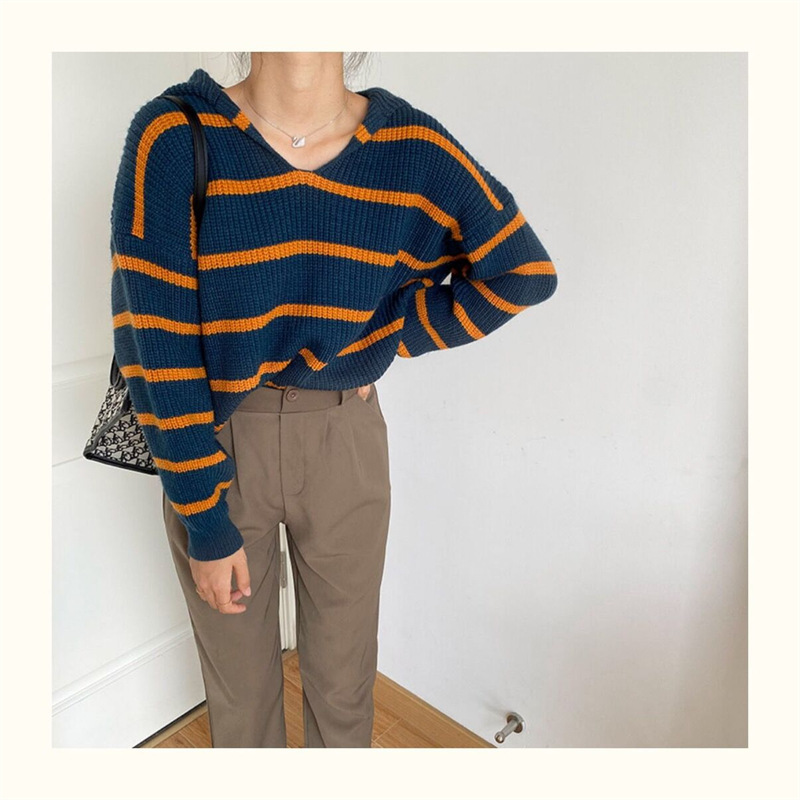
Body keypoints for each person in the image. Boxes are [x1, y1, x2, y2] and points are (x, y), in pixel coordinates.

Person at [109, 51, 558, 748]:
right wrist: (202, 515)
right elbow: (156, 344)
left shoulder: (412, 149)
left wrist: (390, 334)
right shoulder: (175, 135)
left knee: (344, 692)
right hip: (218, 441)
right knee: (240, 698)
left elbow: (521, 270)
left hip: (344, 439)